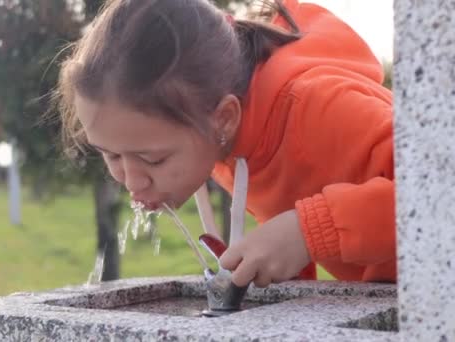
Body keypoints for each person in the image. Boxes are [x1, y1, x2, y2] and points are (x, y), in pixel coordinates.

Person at [55, 0, 395, 288]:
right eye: (111, 155)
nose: (132, 180)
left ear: (224, 118)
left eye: (153, 160)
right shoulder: (222, 140)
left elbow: (439, 191)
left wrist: (309, 231)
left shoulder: (321, 107)